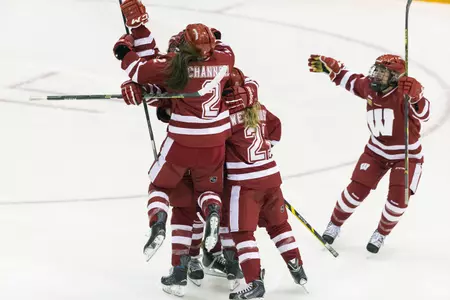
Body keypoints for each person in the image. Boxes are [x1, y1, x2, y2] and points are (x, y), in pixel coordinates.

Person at [113, 0, 234, 294]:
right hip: (216, 142)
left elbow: (141, 69)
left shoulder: (173, 68)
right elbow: (219, 46)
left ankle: (158, 222)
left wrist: (127, 43)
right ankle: (212, 218)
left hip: (182, 142)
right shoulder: (226, 58)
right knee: (209, 194)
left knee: (160, 187)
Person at [308, 54, 430, 253]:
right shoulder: (370, 87)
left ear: (394, 77)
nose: (375, 76)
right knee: (354, 192)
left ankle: (381, 233)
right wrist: (334, 70)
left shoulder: (404, 93)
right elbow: (352, 82)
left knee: (398, 200)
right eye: (376, 70)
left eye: (382, 73)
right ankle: (335, 224)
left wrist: (417, 97)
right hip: (376, 151)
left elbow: (425, 114)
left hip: (406, 156)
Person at [223, 68, 308, 300]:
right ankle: (297, 268)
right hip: (271, 177)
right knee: (278, 225)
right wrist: (264, 151)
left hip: (244, 184)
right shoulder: (258, 108)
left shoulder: (223, 113)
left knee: (242, 232)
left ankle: (254, 283)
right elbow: (276, 128)